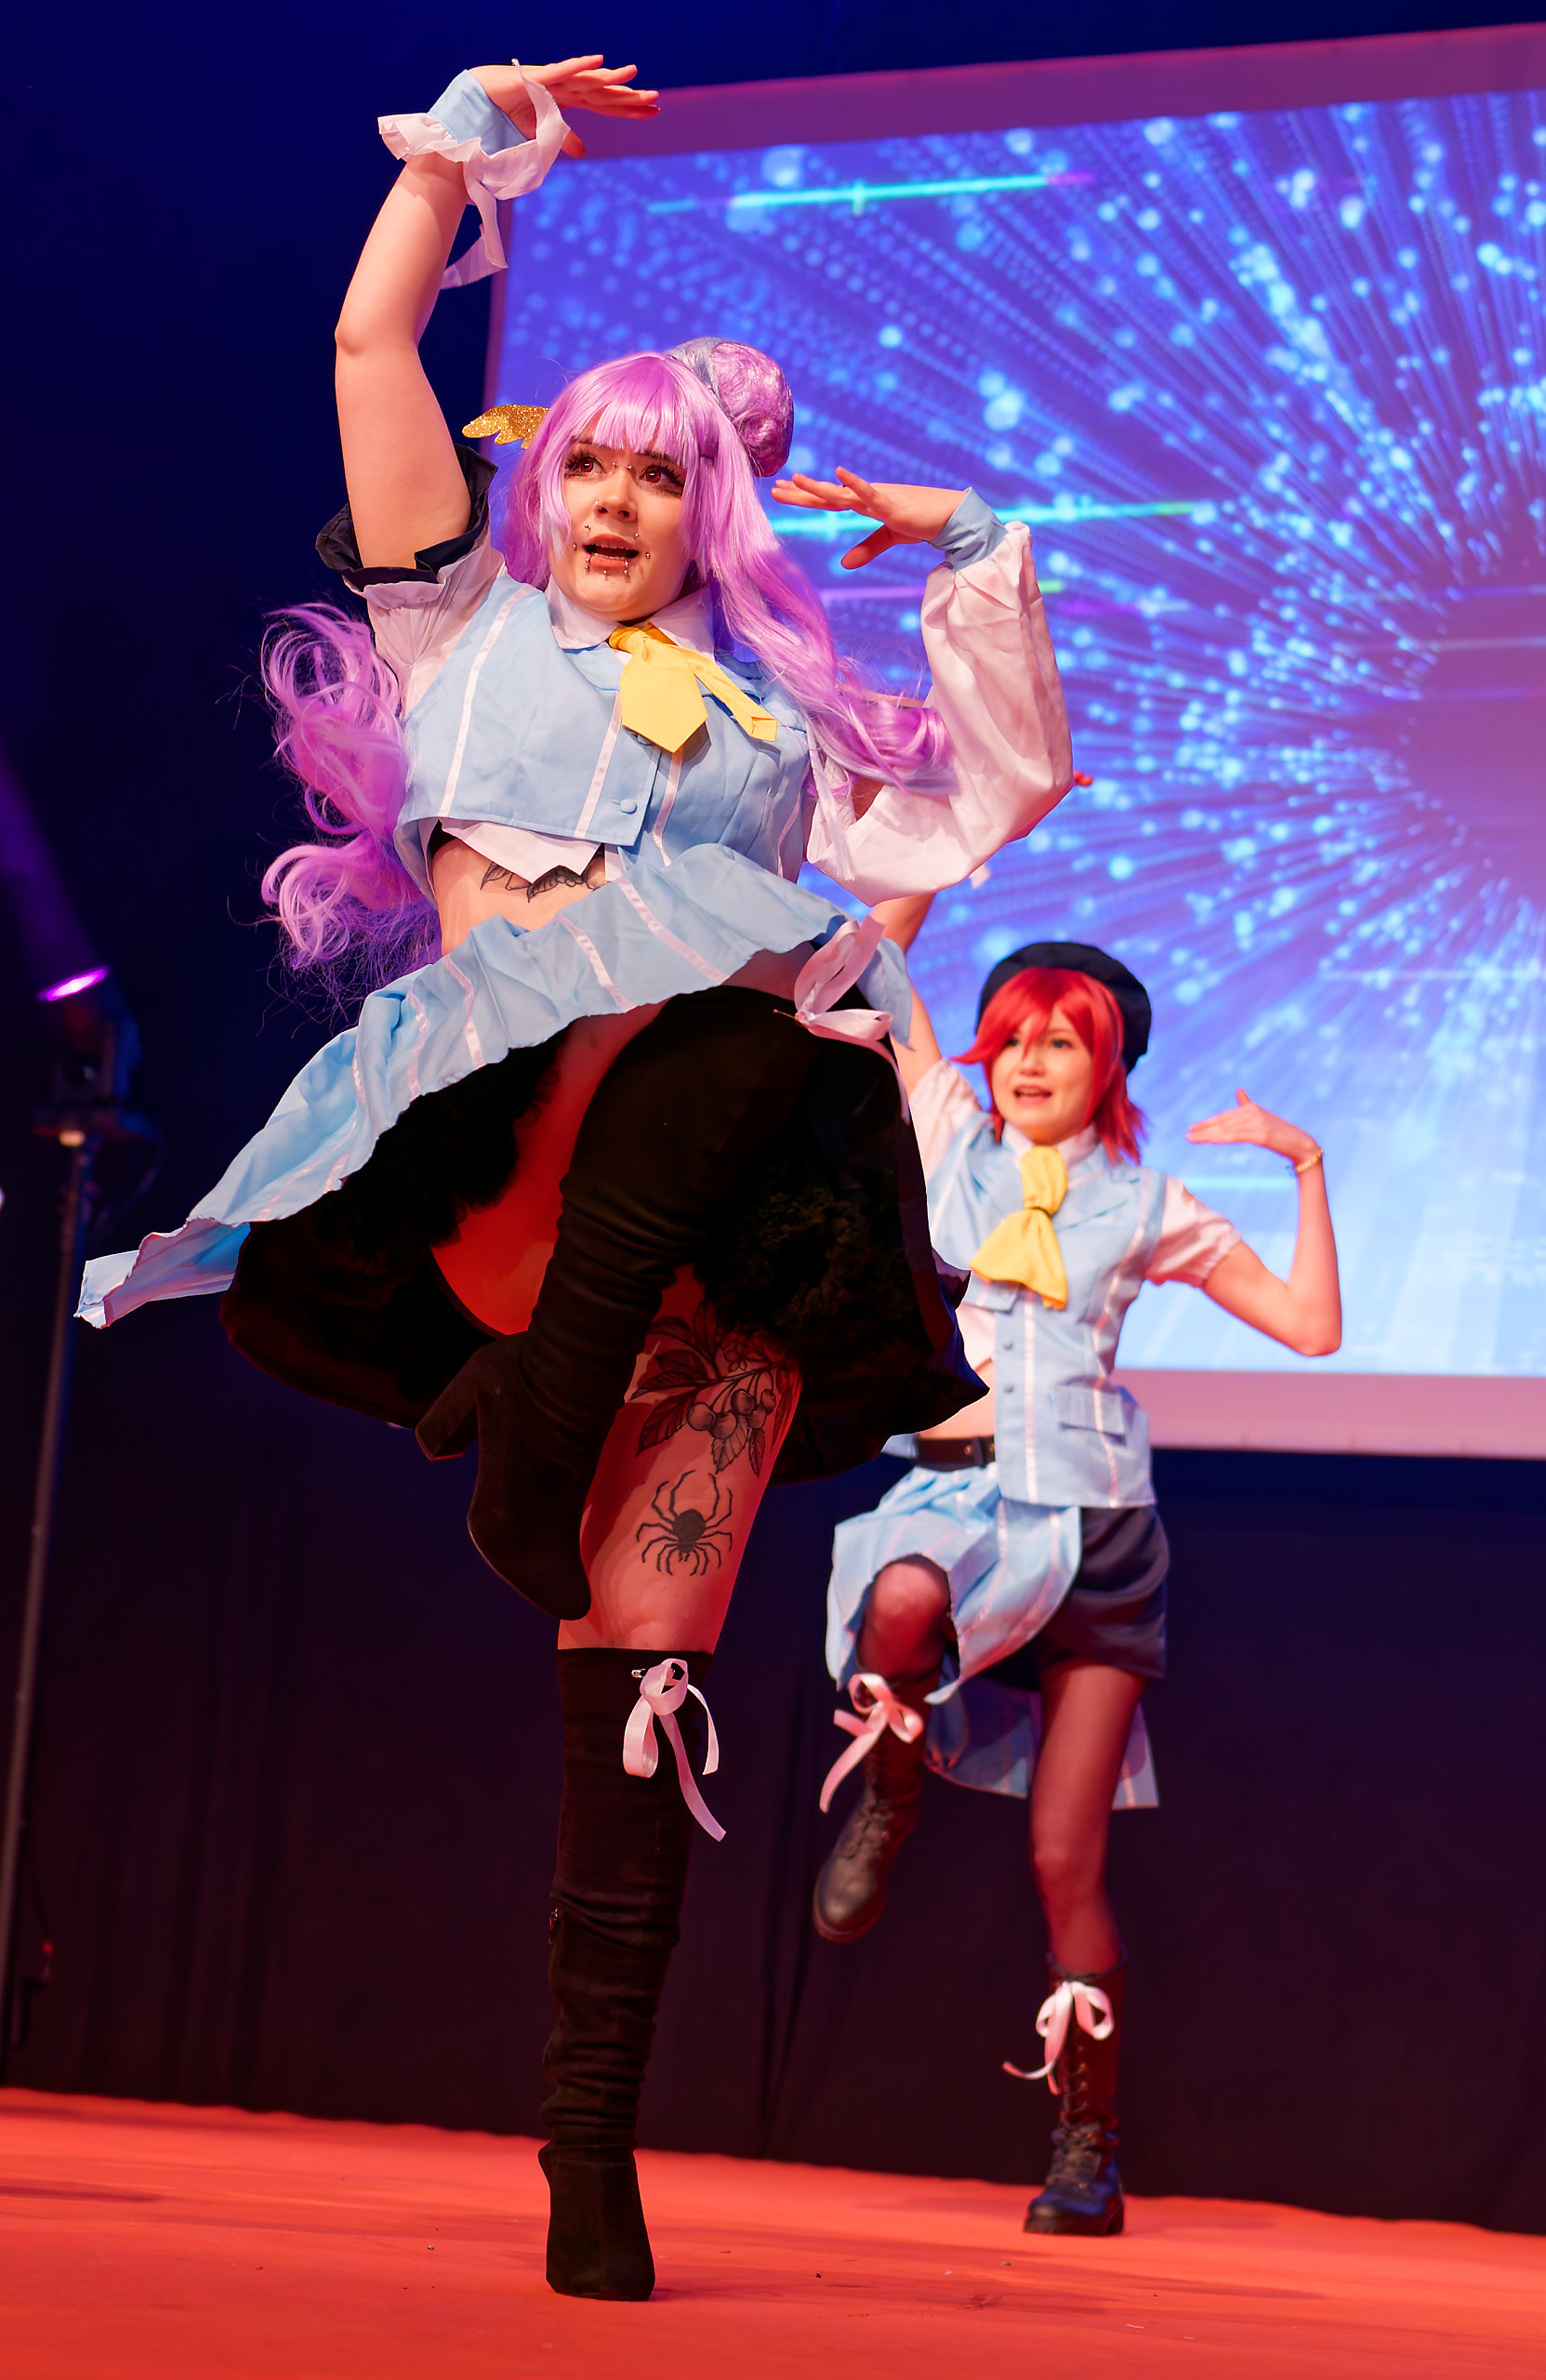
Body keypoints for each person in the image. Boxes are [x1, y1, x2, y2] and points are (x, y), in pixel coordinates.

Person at [75, 57, 1077, 2301]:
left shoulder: (777, 732)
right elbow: (371, 341)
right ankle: (517, 1420)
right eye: (591, 462)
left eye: (663, 472)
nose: (617, 496)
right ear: (548, 486)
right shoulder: (458, 627)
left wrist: (965, 552)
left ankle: (591, 2150)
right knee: (726, 1015)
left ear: (713, 513)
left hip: (701, 1233)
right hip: (494, 1158)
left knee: (639, 1655)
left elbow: (987, 793)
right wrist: (466, 145)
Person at [814, 895, 1341, 2239]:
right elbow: (877, 951)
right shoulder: (949, 1135)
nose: (1029, 1062)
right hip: (969, 1504)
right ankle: (891, 1784)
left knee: (1065, 1856)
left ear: (1108, 1065)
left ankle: (1087, 2150)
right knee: (901, 1598)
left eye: (1061, 1041)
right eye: (1011, 1038)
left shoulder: (1148, 1205)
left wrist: (1305, 1167)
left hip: (1101, 1541)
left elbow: (1312, 1330)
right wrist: (950, 837)